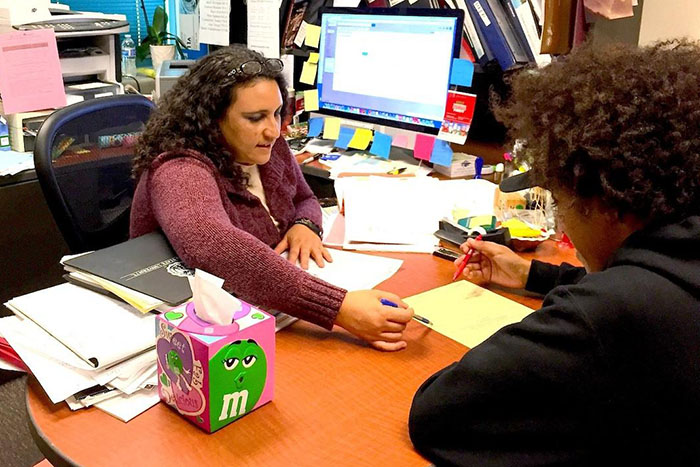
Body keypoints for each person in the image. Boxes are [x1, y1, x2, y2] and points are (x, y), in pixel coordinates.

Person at [409, 40, 700, 465]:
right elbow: (648, 283)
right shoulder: (680, 261)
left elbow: (438, 412)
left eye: (561, 199)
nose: (562, 222)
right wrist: (535, 276)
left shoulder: (608, 315)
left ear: (605, 200)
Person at [130, 45, 413, 351]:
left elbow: (305, 197)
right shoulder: (179, 169)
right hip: (196, 334)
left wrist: (305, 225)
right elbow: (215, 246)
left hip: (269, 307)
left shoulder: (268, 147)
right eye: (255, 118)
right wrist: (339, 307)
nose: (274, 130)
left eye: (277, 113)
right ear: (211, 119)